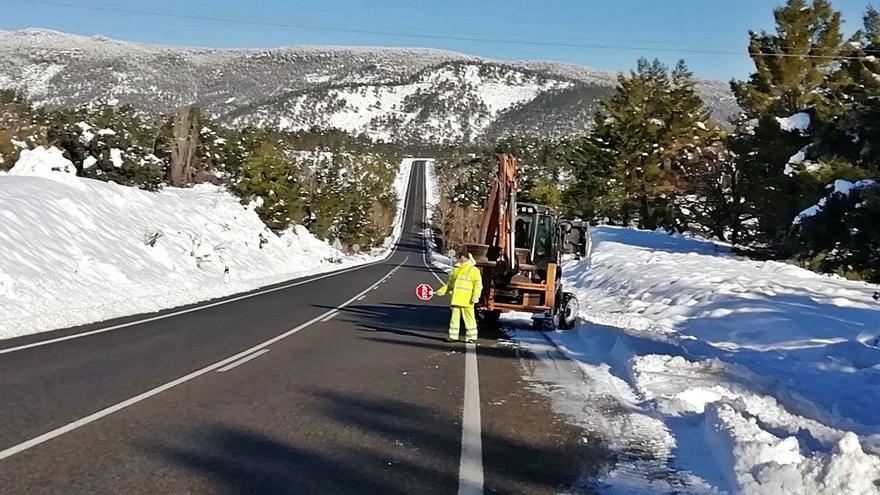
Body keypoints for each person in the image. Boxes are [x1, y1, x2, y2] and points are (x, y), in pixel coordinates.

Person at [436, 248, 483, 343]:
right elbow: (450, 285)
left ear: (468, 258)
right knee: (454, 319)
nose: (462, 258)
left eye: (464, 257)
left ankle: (472, 337)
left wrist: (476, 296)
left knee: (469, 319)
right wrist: (441, 291)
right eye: (460, 257)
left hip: (468, 300)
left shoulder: (473, 270)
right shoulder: (456, 270)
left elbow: (478, 285)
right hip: (456, 299)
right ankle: (453, 336)